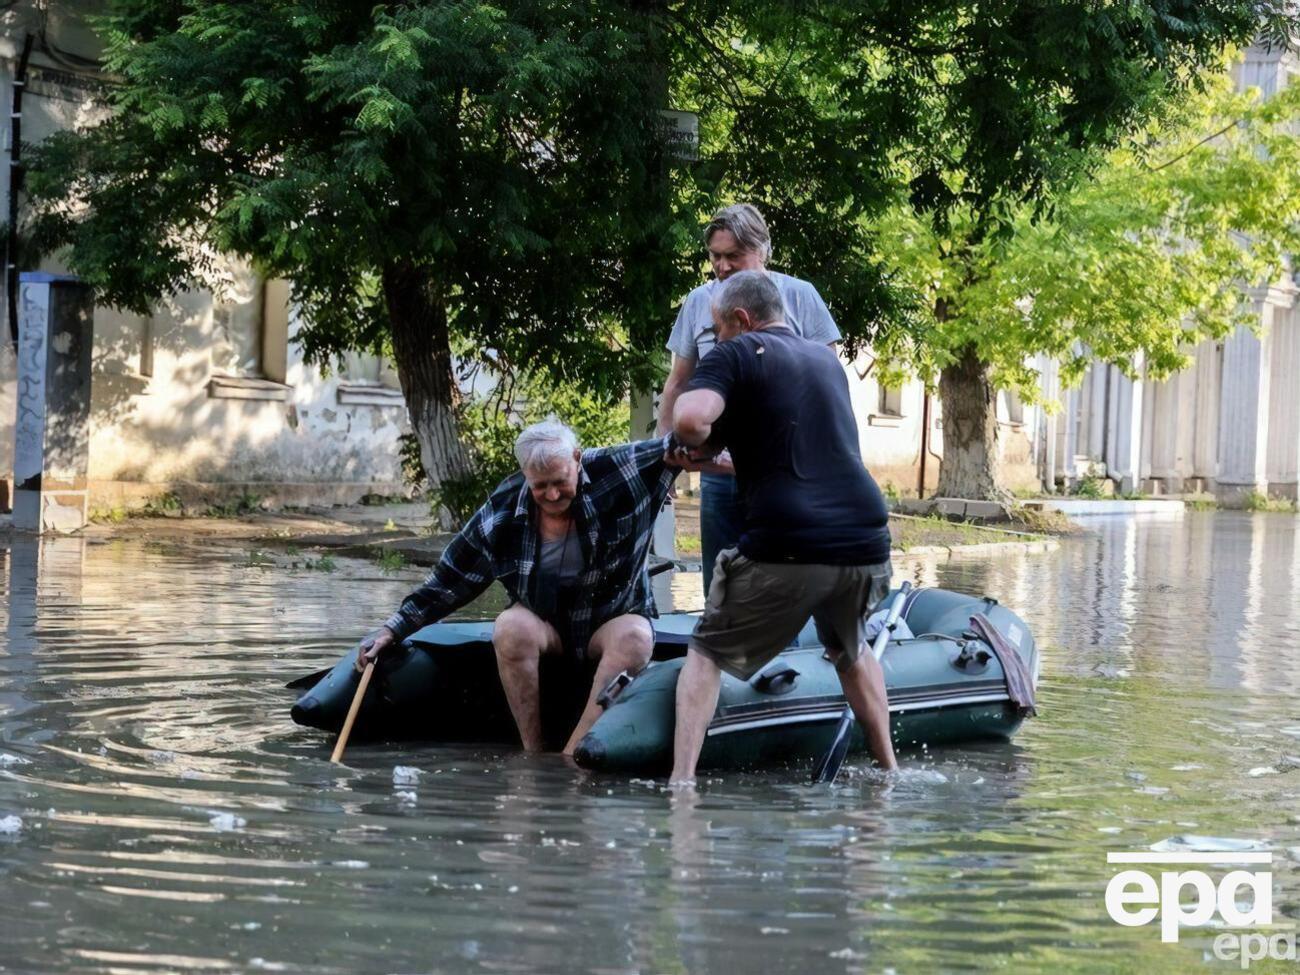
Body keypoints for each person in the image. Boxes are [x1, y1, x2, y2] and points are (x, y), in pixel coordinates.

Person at [667, 270, 897, 785]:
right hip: (866, 541)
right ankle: (889, 772)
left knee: (705, 650)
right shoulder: (824, 360)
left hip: (789, 542)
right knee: (850, 650)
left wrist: (686, 426)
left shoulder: (736, 353)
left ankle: (681, 785)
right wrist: (713, 454)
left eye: (719, 329)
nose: (717, 339)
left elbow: (691, 419)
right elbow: (786, 448)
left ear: (741, 319)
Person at [358, 417, 680, 755]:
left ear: (577, 458)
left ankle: (574, 755)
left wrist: (703, 441)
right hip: (546, 624)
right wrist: (392, 630)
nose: (552, 494)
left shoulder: (617, 469)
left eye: (560, 482)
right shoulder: (501, 512)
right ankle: (533, 754)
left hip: (611, 619)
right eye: (540, 486)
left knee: (636, 637)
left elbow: (679, 445)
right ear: (525, 474)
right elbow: (449, 580)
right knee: (510, 626)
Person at [656, 203, 841, 594]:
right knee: (720, 583)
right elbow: (677, 384)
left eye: (734, 256)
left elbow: (827, 385)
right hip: (719, 471)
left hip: (785, 472)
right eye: (715, 256)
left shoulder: (800, 296)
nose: (722, 267)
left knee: (783, 582)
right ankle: (720, 632)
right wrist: (663, 461)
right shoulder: (698, 301)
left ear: (762, 251)